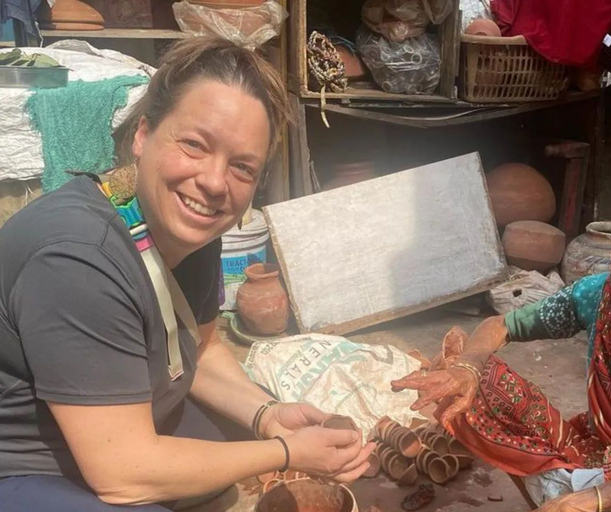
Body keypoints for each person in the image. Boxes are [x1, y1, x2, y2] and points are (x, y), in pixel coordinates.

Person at [0, 37, 374, 511]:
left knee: (239, 442)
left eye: (242, 167)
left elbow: (200, 348)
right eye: (195, 145)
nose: (215, 183)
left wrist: (268, 417)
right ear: (142, 135)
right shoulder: (77, 260)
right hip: (25, 462)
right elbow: (123, 475)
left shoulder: (189, 229)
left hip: (116, 426)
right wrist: (284, 453)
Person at [393, 161, 611, 512]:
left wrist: (595, 500)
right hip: (599, 453)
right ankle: (554, 499)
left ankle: (573, 500)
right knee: (468, 378)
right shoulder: (599, 296)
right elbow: (500, 325)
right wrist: (468, 367)